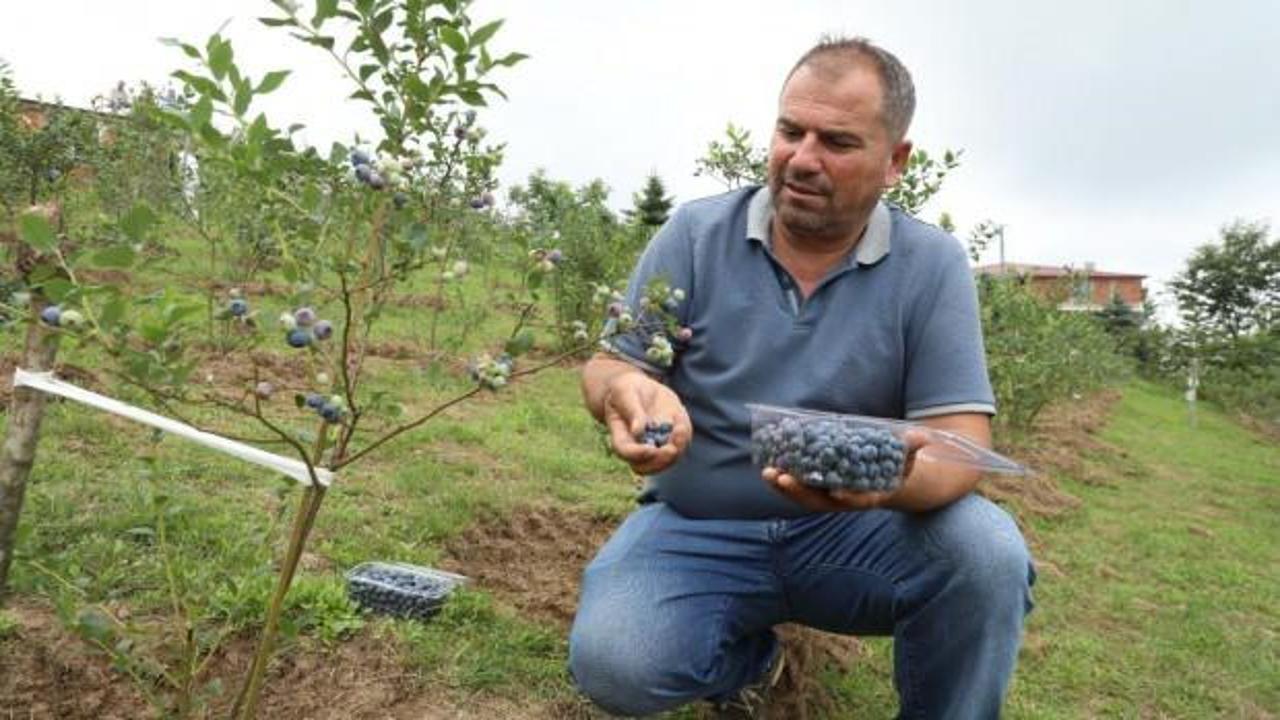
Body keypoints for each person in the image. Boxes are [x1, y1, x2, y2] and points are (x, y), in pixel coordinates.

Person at [568, 35, 1035, 719]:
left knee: (986, 553)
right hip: (698, 526)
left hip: (855, 537)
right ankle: (752, 665)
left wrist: (884, 481)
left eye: (837, 142)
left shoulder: (930, 265)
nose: (803, 159)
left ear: (895, 161)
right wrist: (623, 391)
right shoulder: (695, 234)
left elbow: (959, 439)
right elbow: (614, 362)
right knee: (617, 663)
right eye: (791, 131)